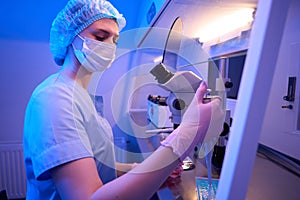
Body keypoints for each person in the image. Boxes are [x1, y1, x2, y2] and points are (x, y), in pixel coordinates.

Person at [23, 0, 225, 199]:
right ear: (70, 37)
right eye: (101, 36)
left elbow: (94, 164)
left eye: (115, 40)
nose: (110, 46)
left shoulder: (81, 95)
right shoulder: (54, 100)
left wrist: (137, 170)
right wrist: (188, 133)